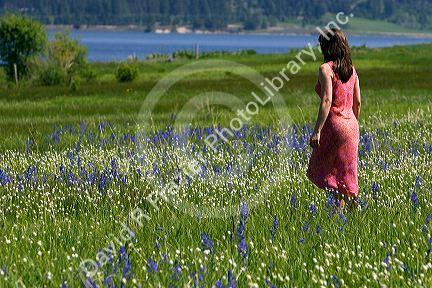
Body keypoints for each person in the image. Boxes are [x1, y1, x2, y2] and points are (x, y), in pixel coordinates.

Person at [307, 28, 361, 208]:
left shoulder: (326, 69)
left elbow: (327, 100)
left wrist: (317, 131)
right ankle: (354, 219)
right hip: (352, 125)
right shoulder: (352, 71)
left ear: (327, 47)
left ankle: (337, 220)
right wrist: (353, 124)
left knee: (333, 176)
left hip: (335, 125)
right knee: (348, 174)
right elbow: (358, 102)